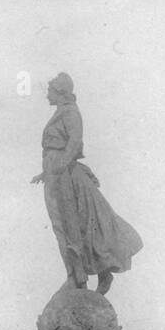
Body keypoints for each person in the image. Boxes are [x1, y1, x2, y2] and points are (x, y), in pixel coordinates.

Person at [30, 73, 142, 293]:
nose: (46, 95)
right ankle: (75, 274)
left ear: (60, 92)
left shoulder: (71, 112)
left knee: (70, 226)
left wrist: (59, 167)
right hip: (54, 174)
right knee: (61, 226)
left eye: (49, 91)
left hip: (63, 176)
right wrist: (45, 173)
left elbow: (74, 142)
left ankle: (79, 275)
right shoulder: (61, 112)